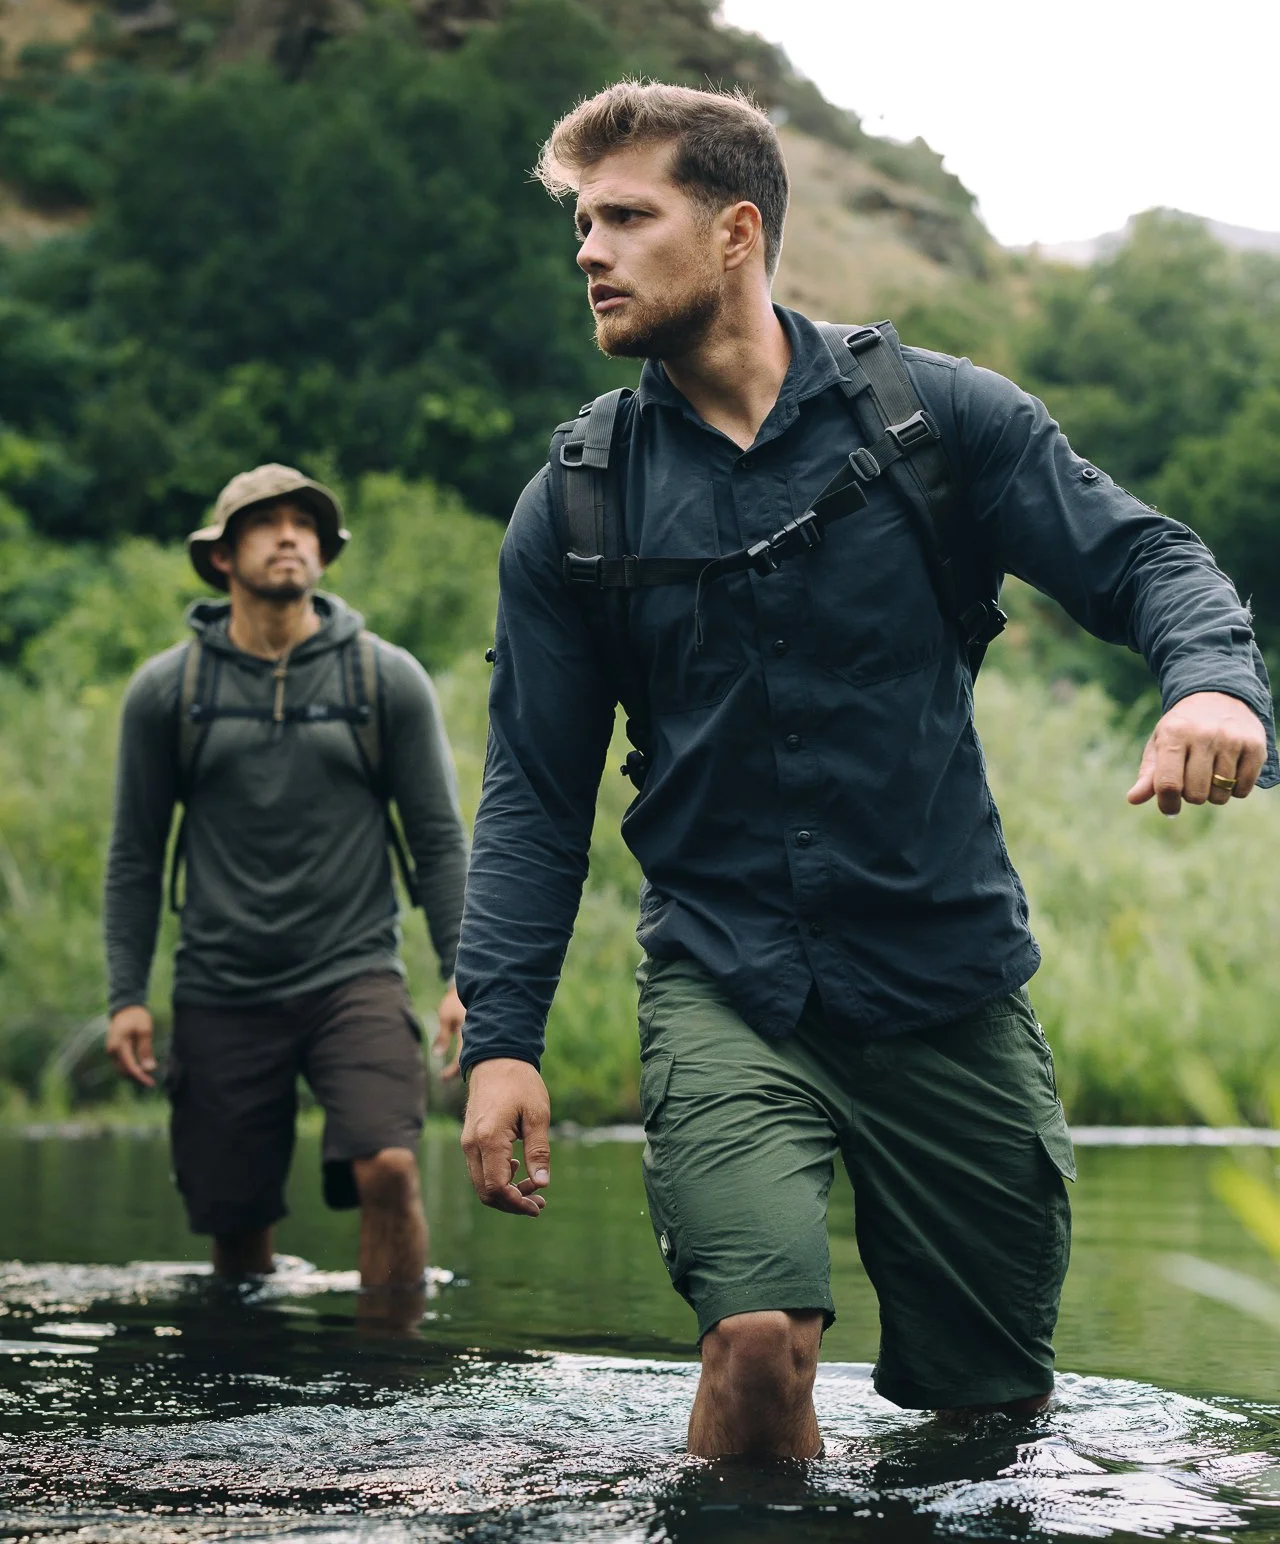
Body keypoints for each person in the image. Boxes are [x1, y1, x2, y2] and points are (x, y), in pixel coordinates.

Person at [453, 82, 1278, 1456]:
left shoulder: (936, 422)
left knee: (992, 1414)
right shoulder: (575, 506)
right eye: (581, 223)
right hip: (728, 983)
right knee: (760, 1343)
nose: (587, 251)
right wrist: (502, 1041)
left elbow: (1147, 559)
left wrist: (1210, 682)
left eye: (626, 217)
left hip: (948, 981)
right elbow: (535, 793)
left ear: (734, 232)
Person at [105, 464, 469, 1296]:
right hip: (220, 984)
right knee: (237, 1233)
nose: (289, 536)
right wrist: (127, 993)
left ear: (323, 551)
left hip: (354, 978)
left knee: (388, 1169)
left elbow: (440, 841)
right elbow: (133, 854)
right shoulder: (169, 691)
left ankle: (394, 1391)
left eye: (305, 524)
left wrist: (463, 974)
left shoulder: (385, 680)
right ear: (224, 557)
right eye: (265, 524)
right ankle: (249, 1399)